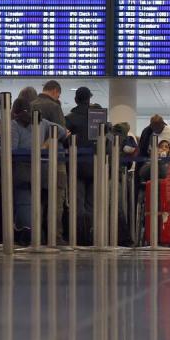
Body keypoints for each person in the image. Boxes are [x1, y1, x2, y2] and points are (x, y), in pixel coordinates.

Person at [29, 81, 67, 242]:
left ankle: (37, 236)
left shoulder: (30, 105)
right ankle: (54, 236)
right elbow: (62, 132)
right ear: (55, 91)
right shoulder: (54, 107)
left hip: (34, 160)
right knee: (56, 198)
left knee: (38, 198)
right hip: (55, 160)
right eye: (58, 94)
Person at [64, 86, 101, 245]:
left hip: (76, 166)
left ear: (76, 100)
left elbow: (64, 141)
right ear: (89, 99)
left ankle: (79, 237)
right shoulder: (98, 117)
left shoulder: (70, 118)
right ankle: (92, 237)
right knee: (92, 204)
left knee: (77, 203)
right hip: (95, 166)